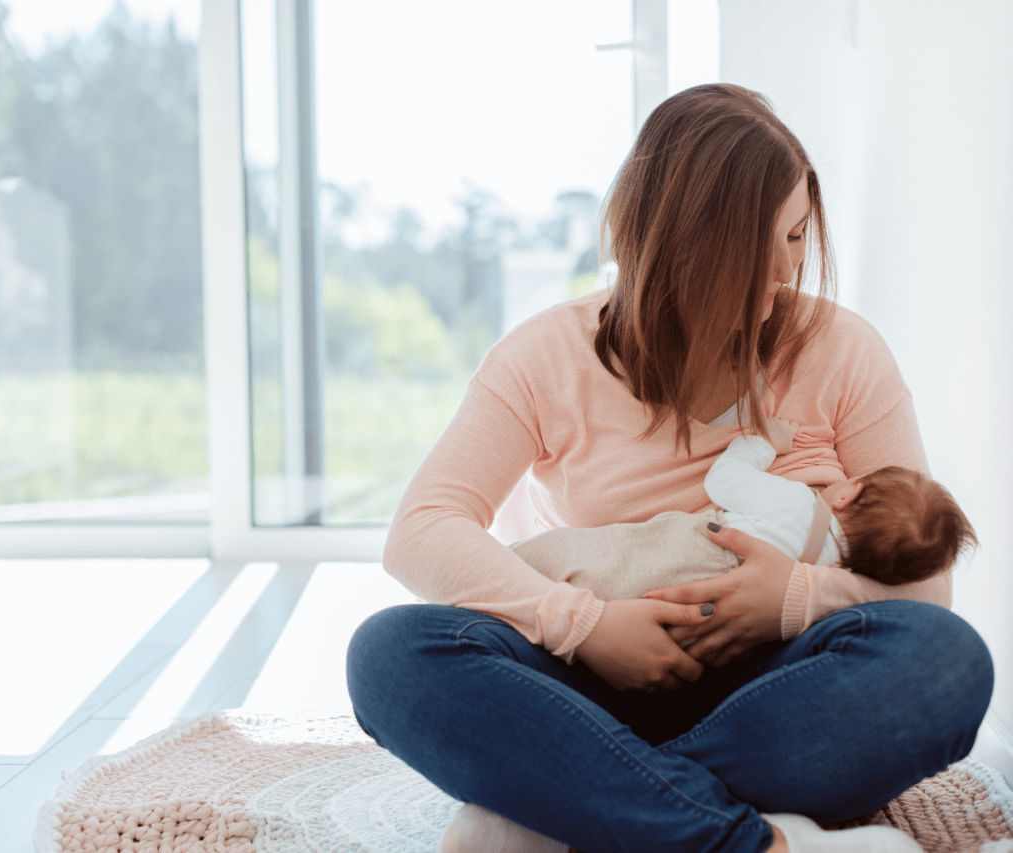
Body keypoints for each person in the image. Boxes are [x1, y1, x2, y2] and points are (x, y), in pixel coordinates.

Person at [346, 83, 994, 852]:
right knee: (391, 654)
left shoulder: (842, 350)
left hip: (775, 686)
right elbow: (420, 531)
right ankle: (732, 837)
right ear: (683, 247)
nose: (788, 272)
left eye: (796, 238)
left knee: (945, 663)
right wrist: (587, 626)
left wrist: (794, 598)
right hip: (585, 684)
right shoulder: (544, 356)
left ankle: (562, 806)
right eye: (766, 249)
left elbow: (928, 590)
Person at [512, 418, 978, 601]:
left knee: (574, 555)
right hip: (698, 617)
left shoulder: (797, 502)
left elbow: (725, 481)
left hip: (679, 553)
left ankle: (509, 566)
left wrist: (761, 444)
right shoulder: (833, 576)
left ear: (844, 495)